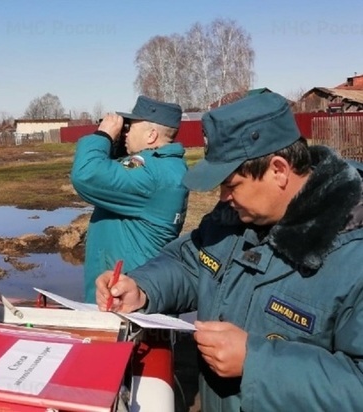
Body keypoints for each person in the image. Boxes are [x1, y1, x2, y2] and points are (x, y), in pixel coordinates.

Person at [95, 92, 363, 411]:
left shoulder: (352, 256)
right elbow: (191, 261)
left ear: (278, 170)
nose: (223, 198)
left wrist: (257, 364)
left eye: (231, 185)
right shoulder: (233, 219)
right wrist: (142, 288)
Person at [71, 95, 189, 303]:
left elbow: (87, 175)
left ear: (151, 135)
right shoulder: (160, 164)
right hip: (125, 286)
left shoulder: (152, 171)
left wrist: (103, 135)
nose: (125, 132)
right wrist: (115, 147)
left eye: (130, 127)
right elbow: (117, 170)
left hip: (122, 298)